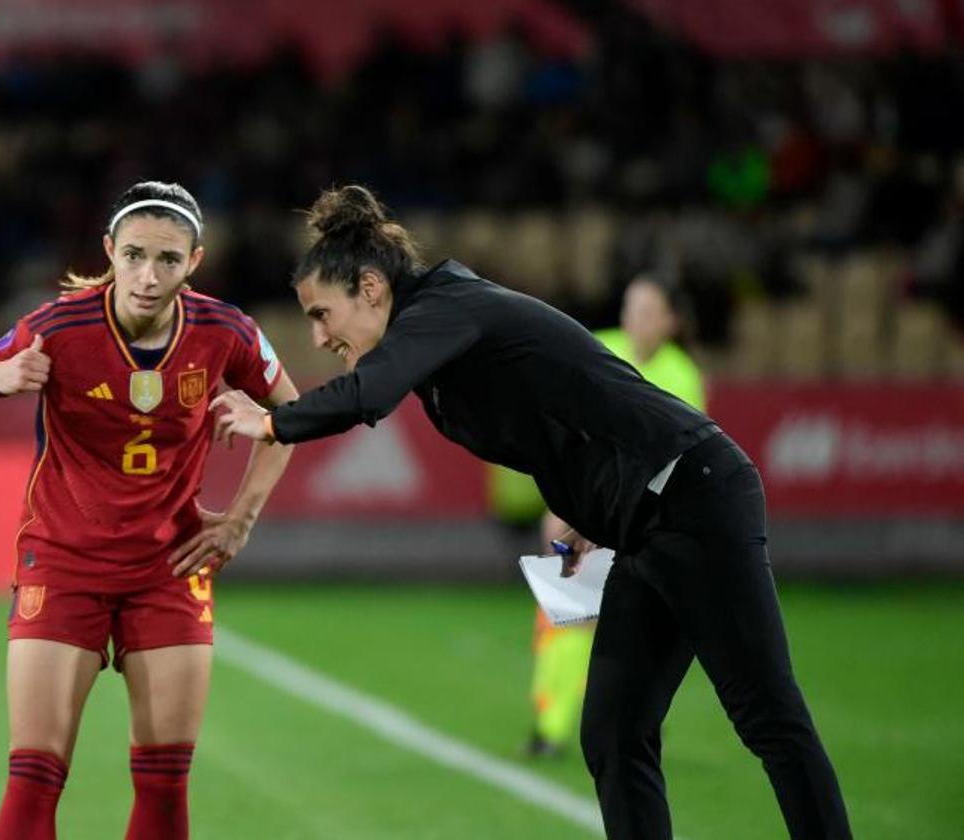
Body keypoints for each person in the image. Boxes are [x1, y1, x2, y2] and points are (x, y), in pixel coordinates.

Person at [211, 185, 853, 840]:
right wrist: (580, 517)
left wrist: (271, 421)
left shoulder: (443, 307)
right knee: (613, 732)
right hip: (642, 519)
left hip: (694, 495)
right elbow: (557, 419)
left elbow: (368, 395)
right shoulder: (440, 331)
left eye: (323, 315)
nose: (317, 336)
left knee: (767, 715)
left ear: (371, 288)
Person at [0, 181, 298, 840]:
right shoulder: (59, 326)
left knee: (164, 781)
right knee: (35, 776)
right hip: (63, 563)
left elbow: (290, 418)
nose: (148, 277)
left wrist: (240, 517)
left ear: (195, 262)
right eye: (133, 256)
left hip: (170, 567)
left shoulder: (225, 330)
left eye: (168, 260)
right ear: (109, 252)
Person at [529, 273, 706, 759]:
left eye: (648, 311)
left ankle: (636, 721)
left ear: (670, 321)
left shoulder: (682, 375)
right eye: (630, 307)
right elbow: (565, 432)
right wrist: (558, 504)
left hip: (645, 518)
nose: (635, 319)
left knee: (639, 627)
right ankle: (550, 727)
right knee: (568, 614)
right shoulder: (596, 348)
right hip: (585, 505)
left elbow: (673, 457)